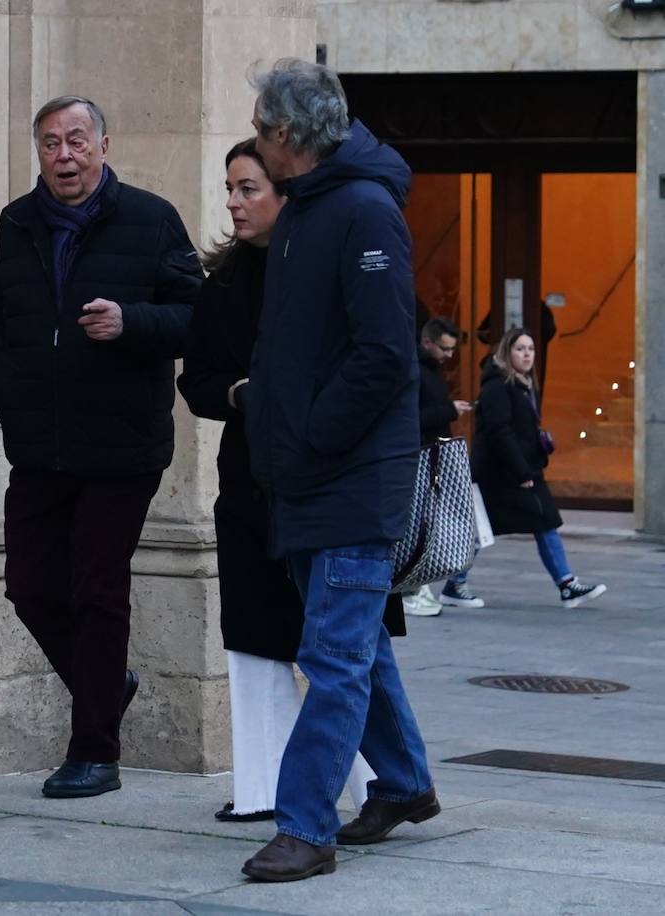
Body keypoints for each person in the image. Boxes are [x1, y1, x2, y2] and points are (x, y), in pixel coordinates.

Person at [239, 59, 439, 882]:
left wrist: (314, 434)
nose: (254, 141)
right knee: (352, 647)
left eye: (260, 128)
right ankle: (405, 783)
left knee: (333, 656)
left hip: (351, 476)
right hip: (308, 472)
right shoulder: (312, 208)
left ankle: (305, 825)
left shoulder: (361, 210)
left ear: (288, 138)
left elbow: (385, 355)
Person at [0, 95, 202, 799]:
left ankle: (95, 751)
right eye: (50, 143)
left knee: (99, 591)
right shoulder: (16, 222)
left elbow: (198, 318)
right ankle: (110, 685)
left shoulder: (151, 217)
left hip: (121, 444)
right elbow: (5, 319)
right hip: (39, 444)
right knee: (29, 586)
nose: (64, 156)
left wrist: (132, 321)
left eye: (77, 140)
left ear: (104, 144)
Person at [178, 138, 394, 824]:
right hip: (249, 479)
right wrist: (245, 396)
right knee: (253, 632)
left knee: (342, 649)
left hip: (328, 477)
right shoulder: (223, 283)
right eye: (230, 189)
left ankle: (376, 787)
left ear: (285, 192)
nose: (235, 203)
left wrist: (306, 415)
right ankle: (263, 789)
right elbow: (198, 380)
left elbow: (378, 360)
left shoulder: (323, 262)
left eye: (249, 188)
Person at [471, 328, 606, 608]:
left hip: (522, 469)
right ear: (507, 353)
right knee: (483, 530)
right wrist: (521, 472)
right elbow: (499, 433)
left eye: (531, 349)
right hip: (503, 474)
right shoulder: (497, 386)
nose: (527, 354)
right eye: (520, 349)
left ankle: (566, 584)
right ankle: (455, 583)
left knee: (541, 522)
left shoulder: (524, 384)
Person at [416, 317, 483, 611]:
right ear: (428, 342)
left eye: (453, 350)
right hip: (423, 457)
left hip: (437, 455)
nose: (449, 356)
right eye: (445, 349)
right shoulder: (415, 371)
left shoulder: (433, 370)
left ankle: (435, 585)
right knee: (426, 526)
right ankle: (420, 588)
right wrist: (450, 410)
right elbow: (413, 417)